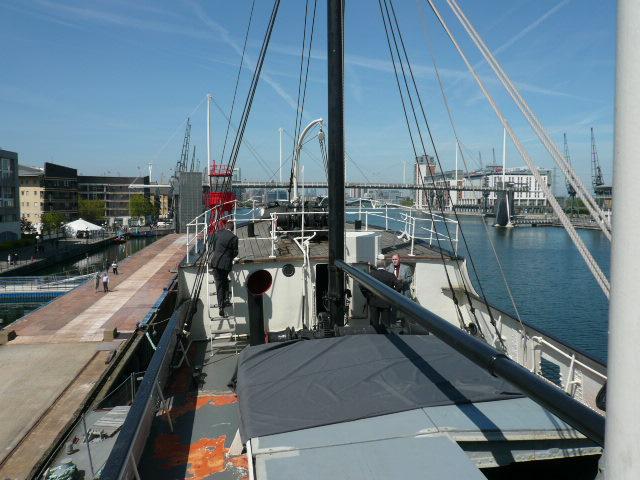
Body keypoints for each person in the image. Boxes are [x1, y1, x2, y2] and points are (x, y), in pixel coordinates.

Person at [360, 254, 398, 331]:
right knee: (385, 326)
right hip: (386, 302)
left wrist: (368, 296)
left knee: (374, 326)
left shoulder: (371, 275)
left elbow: (361, 285)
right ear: (385, 265)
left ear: (377, 265)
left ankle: (374, 340)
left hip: (373, 302)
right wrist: (392, 295)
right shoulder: (390, 275)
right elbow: (399, 285)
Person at [209, 222, 238, 318]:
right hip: (225, 264)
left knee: (219, 284)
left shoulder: (218, 233)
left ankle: (220, 306)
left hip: (215, 262)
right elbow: (235, 252)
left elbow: (213, 247)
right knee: (225, 280)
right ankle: (226, 300)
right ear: (232, 228)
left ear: (225, 227)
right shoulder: (234, 238)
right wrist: (229, 258)